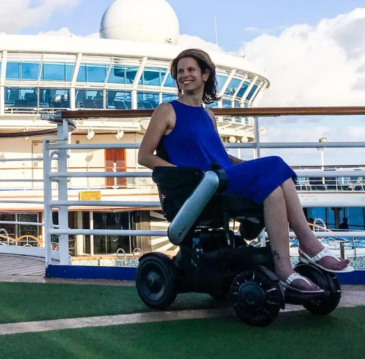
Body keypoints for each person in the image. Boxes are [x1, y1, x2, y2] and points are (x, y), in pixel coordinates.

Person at [138, 48, 352, 294]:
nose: (184, 75)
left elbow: (218, 155)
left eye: (190, 70)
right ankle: (308, 244)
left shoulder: (209, 115)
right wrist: (182, 172)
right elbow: (145, 156)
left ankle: (284, 267)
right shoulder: (167, 110)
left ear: (205, 74)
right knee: (276, 164)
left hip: (224, 177)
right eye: (180, 72)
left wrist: (251, 166)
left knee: (274, 183)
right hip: (203, 185)